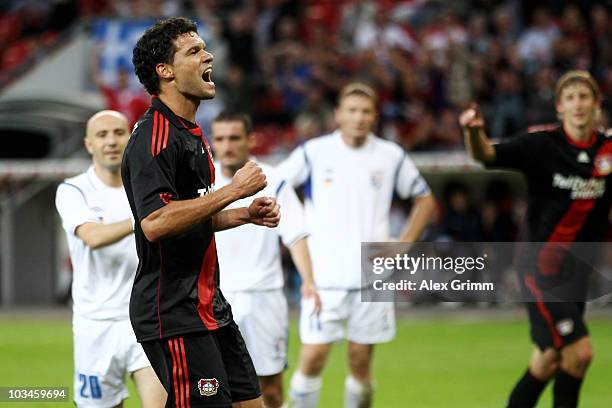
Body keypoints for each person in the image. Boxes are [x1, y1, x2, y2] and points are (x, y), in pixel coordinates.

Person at [122, 17, 280, 408]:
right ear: (166, 71)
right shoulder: (153, 137)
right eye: (193, 51)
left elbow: (188, 216)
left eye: (204, 47)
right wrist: (234, 190)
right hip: (172, 314)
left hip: (209, 306)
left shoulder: (190, 132)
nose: (208, 54)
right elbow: (156, 223)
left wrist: (244, 214)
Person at [459, 70, 611, 408]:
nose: (578, 104)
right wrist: (473, 133)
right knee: (580, 353)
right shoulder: (541, 144)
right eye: (570, 98)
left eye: (584, 97)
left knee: (548, 362)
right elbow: (486, 156)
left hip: (577, 274)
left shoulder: (608, 151)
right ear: (559, 107)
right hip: (539, 269)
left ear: (597, 105)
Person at [280, 82, 436, 408]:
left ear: (375, 116)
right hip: (324, 277)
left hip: (372, 276)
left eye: (365, 111)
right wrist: (295, 225)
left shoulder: (390, 155)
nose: (358, 118)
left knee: (360, 362)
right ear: (338, 114)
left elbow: (425, 199)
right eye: (351, 110)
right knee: (313, 357)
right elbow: (277, 185)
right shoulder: (314, 152)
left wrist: (404, 243)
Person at [55, 110, 166, 408]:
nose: (111, 141)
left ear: (130, 138)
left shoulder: (151, 185)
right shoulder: (72, 190)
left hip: (146, 318)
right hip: (96, 324)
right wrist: (146, 220)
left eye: (118, 133)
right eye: (102, 135)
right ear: (89, 144)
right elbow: (93, 237)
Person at [211, 111, 322, 408]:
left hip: (264, 297)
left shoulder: (273, 179)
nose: (228, 145)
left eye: (234, 138)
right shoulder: (201, 181)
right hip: (214, 297)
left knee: (270, 391)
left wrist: (309, 282)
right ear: (212, 143)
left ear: (250, 141)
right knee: (216, 390)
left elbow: (296, 234)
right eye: (220, 139)